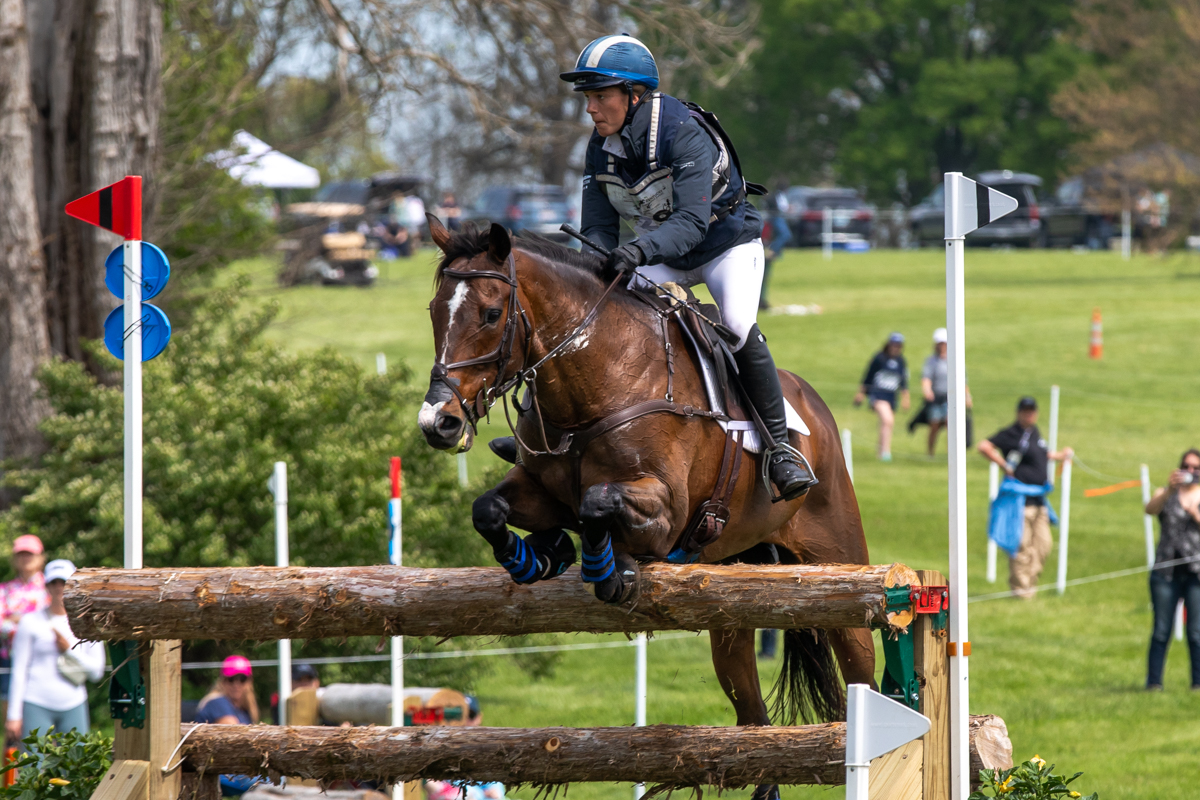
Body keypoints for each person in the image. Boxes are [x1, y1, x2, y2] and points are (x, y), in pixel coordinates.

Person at [532, 33, 815, 500]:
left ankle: (780, 449)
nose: (590, 109)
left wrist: (637, 252)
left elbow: (691, 222)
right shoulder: (599, 148)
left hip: (726, 246)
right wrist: (595, 269)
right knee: (593, 309)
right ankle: (553, 432)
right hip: (663, 253)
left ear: (634, 95)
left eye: (600, 96)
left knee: (738, 325)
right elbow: (599, 230)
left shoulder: (683, 132)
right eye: (588, 97)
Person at [977, 397, 1073, 599]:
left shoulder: (1035, 433)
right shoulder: (1011, 434)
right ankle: (1022, 592)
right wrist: (1003, 465)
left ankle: (1030, 582)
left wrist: (1060, 455)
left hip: (1040, 501)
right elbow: (984, 446)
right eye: (1025, 411)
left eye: (1032, 411)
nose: (1029, 414)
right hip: (1019, 501)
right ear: (1018, 412)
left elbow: (1041, 454)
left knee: (1043, 545)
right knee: (1022, 547)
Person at [5, 560, 105, 741]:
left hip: (74, 703)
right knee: (33, 766)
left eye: (64, 582)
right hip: (35, 702)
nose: (59, 588)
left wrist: (69, 650)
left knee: (76, 767)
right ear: (47, 586)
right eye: (54, 582)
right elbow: (19, 670)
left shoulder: (88, 623)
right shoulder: (30, 621)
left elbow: (97, 672)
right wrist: (13, 715)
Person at [1143, 449, 1200, 690]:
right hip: (1165, 573)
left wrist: (1194, 512)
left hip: (1196, 574)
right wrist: (1169, 489)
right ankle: (1154, 683)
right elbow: (1150, 509)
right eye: (1186, 466)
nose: (1190, 472)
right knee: (1161, 631)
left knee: (1196, 632)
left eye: (1195, 468)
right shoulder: (1167, 493)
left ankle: (1197, 683)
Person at [195, 655, 264, 796]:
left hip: (229, 769)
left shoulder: (243, 710)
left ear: (249, 682)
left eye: (242, 679)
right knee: (272, 782)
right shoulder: (217, 702)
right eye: (231, 679)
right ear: (223, 681)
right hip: (212, 770)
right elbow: (240, 737)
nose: (236, 684)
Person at [0, 535, 47, 724]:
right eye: (21, 554)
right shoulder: (5, 589)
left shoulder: (51, 588)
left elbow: (53, 623)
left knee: (45, 719)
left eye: (30, 554)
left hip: (42, 658)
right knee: (11, 721)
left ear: (40, 557)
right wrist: (31, 622)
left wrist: (17, 619)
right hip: (9, 658)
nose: (26, 558)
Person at [914, 328, 972, 456]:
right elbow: (926, 378)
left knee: (949, 423)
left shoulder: (956, 360)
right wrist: (927, 390)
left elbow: (963, 381)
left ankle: (950, 453)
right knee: (934, 425)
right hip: (936, 398)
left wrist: (967, 397)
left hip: (950, 398)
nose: (942, 346)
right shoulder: (932, 361)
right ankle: (930, 453)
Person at [853, 333, 910, 462]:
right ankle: (885, 452)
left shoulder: (901, 361)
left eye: (898, 345)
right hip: (878, 395)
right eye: (894, 344)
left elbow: (903, 382)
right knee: (887, 420)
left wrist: (906, 398)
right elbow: (868, 377)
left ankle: (882, 451)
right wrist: (861, 393)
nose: (896, 347)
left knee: (887, 424)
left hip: (891, 398)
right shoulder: (879, 358)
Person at [759, 189, 791, 310]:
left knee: (763, 277)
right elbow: (784, 235)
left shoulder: (765, 218)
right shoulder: (774, 219)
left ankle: (761, 302)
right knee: (762, 277)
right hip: (764, 251)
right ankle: (760, 302)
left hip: (763, 249)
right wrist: (772, 250)